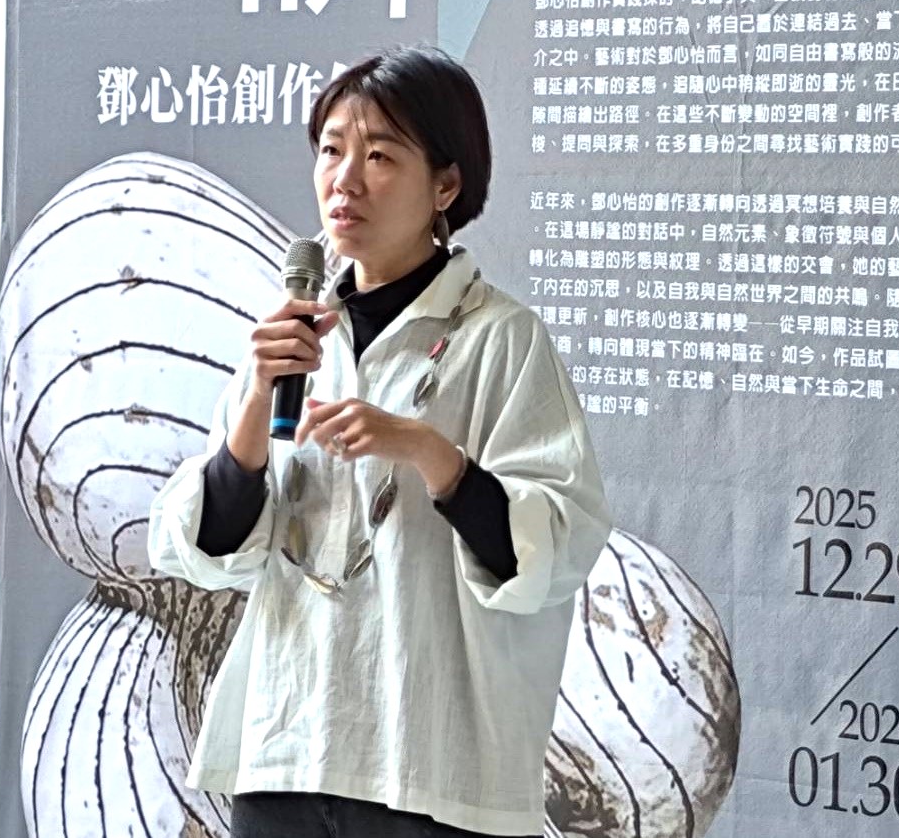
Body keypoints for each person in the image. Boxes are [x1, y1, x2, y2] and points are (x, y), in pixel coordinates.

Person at [148, 46, 612, 838]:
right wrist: (258, 399)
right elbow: (211, 547)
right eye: (331, 150)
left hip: (431, 763)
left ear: (446, 185)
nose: (345, 180)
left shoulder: (500, 338)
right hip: (287, 746)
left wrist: (429, 451)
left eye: (379, 156)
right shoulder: (291, 336)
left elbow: (554, 547)